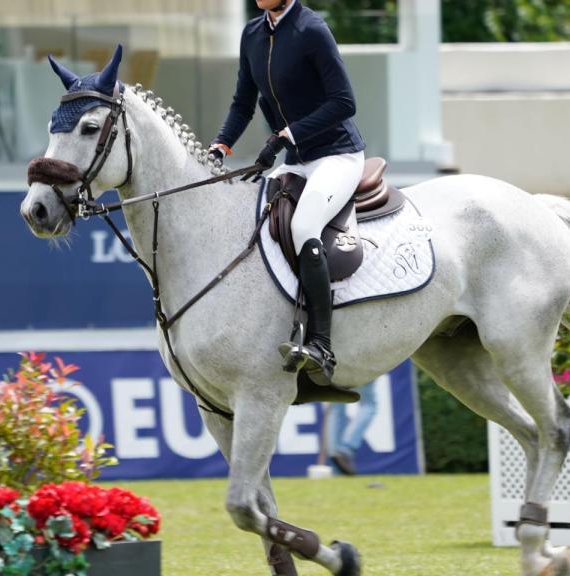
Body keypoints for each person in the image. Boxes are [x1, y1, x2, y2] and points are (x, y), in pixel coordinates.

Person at [209, 0, 366, 385]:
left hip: (337, 156)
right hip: (296, 159)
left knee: (302, 226)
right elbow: (242, 103)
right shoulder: (252, 34)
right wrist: (221, 146)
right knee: (254, 222)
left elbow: (345, 102)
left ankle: (321, 345)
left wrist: (286, 135)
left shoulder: (311, 29)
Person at [327, 379, 377, 476]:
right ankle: (345, 449)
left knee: (336, 408)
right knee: (369, 405)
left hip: (335, 369)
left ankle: (336, 457)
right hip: (361, 369)